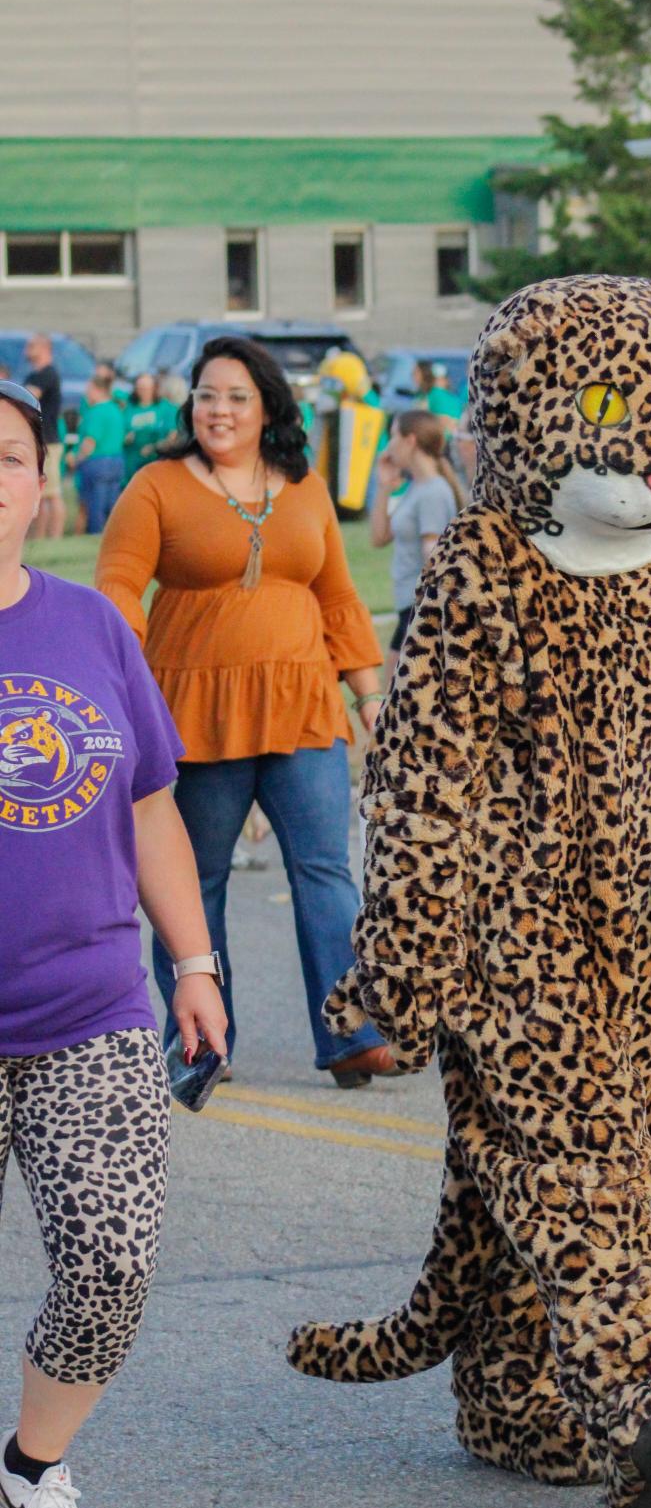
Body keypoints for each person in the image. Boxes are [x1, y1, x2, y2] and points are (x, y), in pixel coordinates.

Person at [0, 378, 227, 1508]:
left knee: (112, 1264)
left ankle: (33, 1471)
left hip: (92, 1006)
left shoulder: (91, 626)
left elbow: (147, 806)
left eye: (9, 455)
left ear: (43, 483)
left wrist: (191, 963)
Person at [94, 335, 395, 1087]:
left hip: (302, 705)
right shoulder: (155, 485)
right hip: (194, 710)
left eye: (235, 397)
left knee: (325, 869)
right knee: (195, 880)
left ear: (267, 409)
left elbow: (338, 597)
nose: (218, 410)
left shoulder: (303, 484)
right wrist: (116, 682)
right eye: (205, 395)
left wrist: (371, 699)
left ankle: (349, 1031)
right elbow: (119, 587)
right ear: (188, 404)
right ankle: (200, 1037)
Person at [370, 410, 461, 685]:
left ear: (410, 441)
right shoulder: (417, 488)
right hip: (407, 603)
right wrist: (384, 487)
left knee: (396, 695)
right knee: (397, 697)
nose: (389, 446)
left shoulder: (433, 492)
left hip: (419, 606)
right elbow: (379, 537)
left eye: (393, 436)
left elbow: (432, 554)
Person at [67, 369, 126, 534]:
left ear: (96, 390)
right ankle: (114, 534)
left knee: (95, 505)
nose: (87, 395)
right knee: (112, 504)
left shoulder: (97, 411)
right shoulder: (116, 409)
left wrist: (77, 460)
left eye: (88, 390)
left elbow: (89, 442)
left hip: (98, 463)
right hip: (117, 461)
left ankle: (96, 535)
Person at [22, 334, 65, 540]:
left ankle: (55, 537)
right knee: (38, 493)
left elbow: (28, 397)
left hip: (49, 440)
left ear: (44, 348)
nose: (26, 349)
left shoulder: (49, 373)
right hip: (36, 440)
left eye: (31, 345)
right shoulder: (32, 375)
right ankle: (39, 538)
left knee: (53, 492)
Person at [123, 371, 179, 477]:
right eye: (140, 388)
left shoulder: (167, 408)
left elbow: (173, 437)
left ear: (154, 388)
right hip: (132, 466)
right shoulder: (129, 408)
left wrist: (154, 447)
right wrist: (126, 438)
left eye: (147, 389)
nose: (143, 392)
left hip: (158, 463)